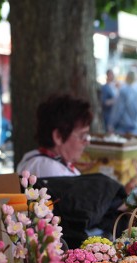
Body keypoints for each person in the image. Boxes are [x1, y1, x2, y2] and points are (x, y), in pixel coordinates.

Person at [16, 94, 127, 247]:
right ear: (58, 136)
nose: (86, 142)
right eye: (82, 136)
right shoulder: (45, 166)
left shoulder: (38, 159)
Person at [108, 70, 137, 137]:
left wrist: (111, 124)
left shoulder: (123, 91)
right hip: (134, 127)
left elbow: (118, 110)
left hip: (122, 127)